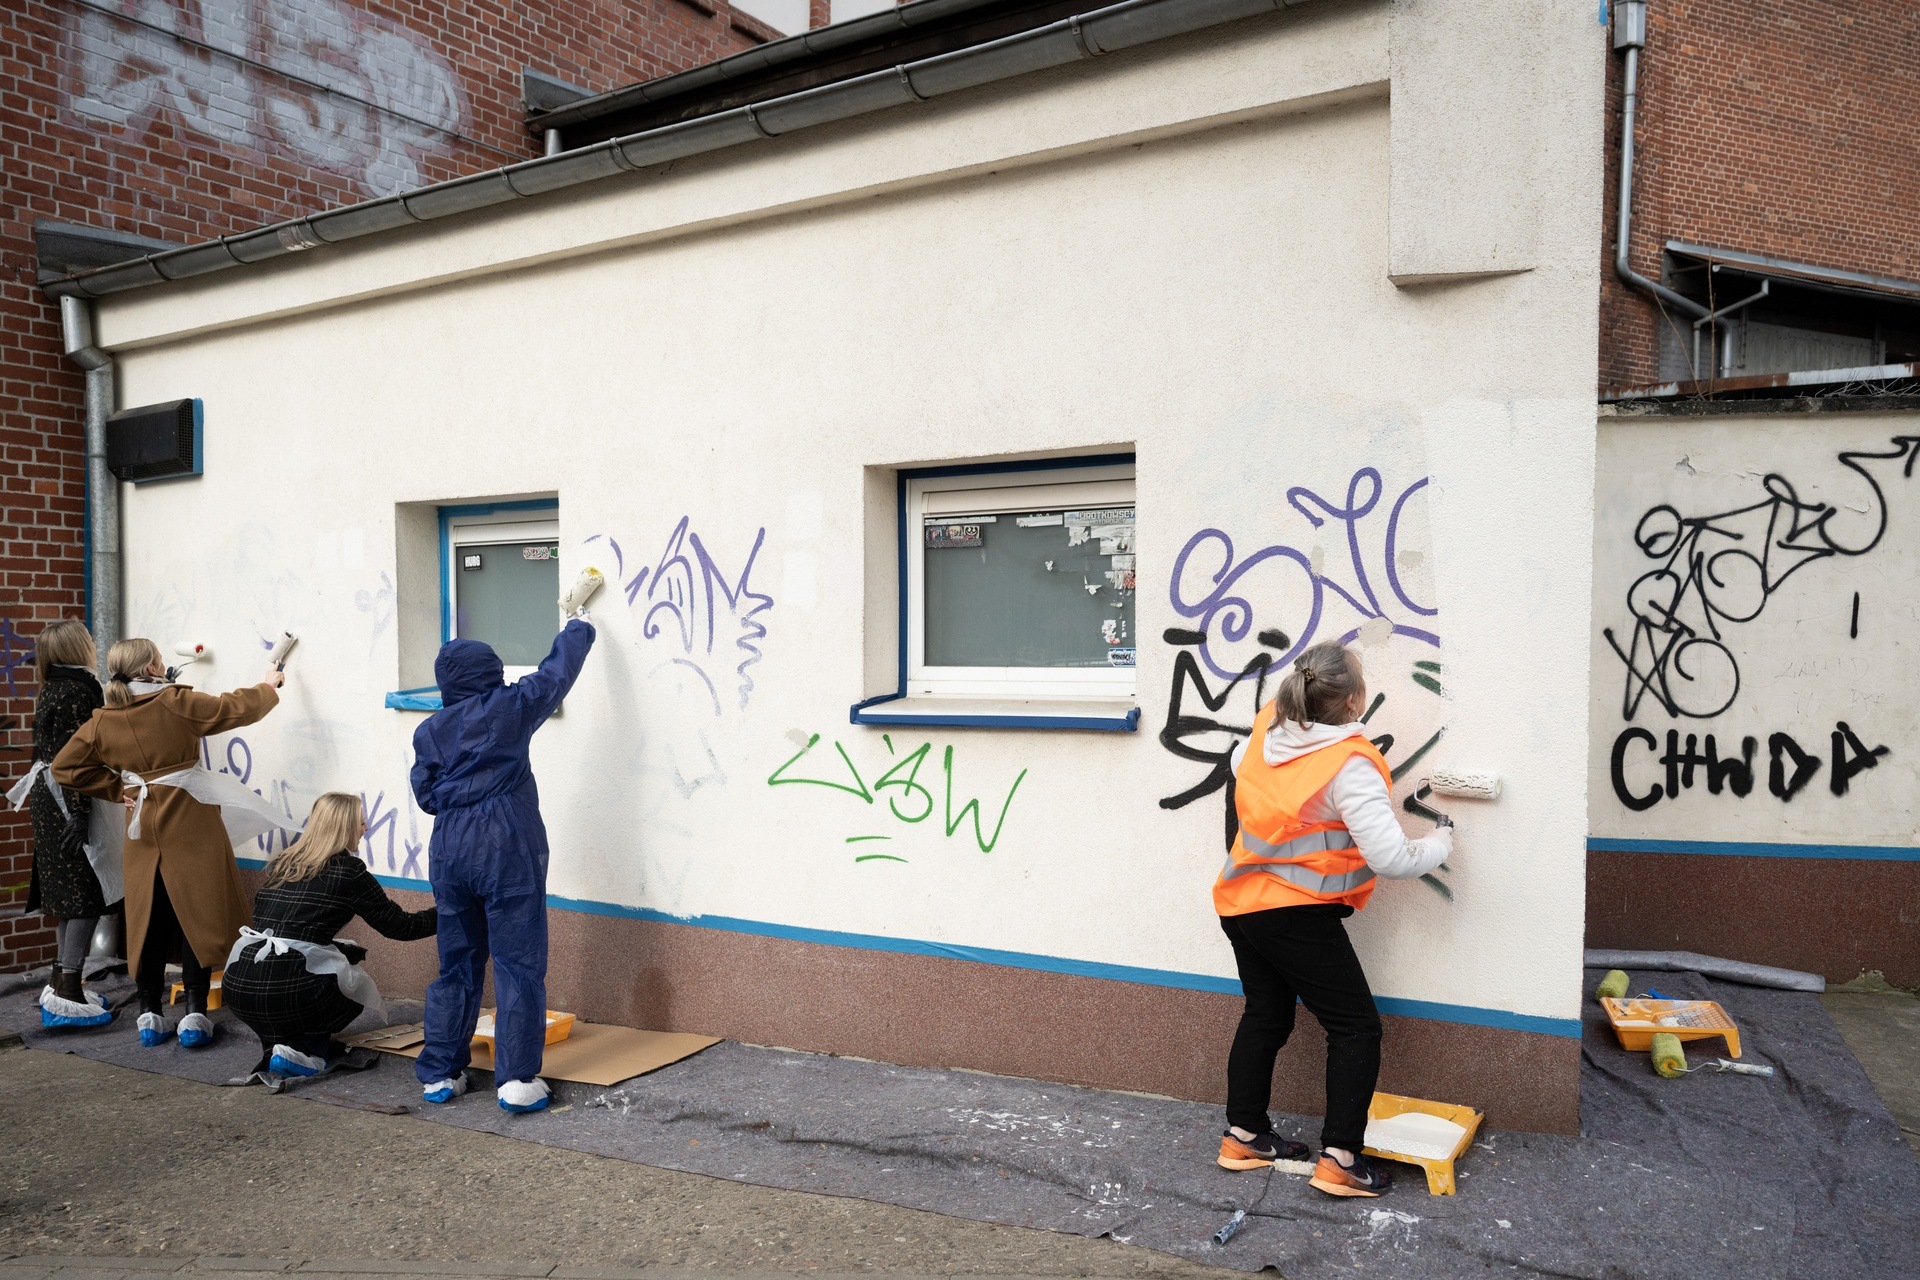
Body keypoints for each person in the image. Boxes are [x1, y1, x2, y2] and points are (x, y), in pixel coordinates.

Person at [1212, 641, 1452, 1199]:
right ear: (1352, 701)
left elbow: (1242, 771)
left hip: (1241, 902)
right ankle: (1341, 1159)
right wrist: (1442, 841)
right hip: (1294, 914)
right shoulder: (1349, 764)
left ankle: (1243, 1137)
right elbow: (1391, 859)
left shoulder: (1263, 734)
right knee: (1355, 1027)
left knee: (1266, 1015)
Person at [53, 638, 291, 1048]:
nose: (165, 665)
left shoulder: (103, 720)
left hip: (142, 827)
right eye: (160, 660)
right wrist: (269, 685)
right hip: (190, 824)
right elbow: (232, 708)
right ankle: (195, 1015)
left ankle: (149, 1013)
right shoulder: (175, 703)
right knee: (196, 914)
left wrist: (117, 788)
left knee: (148, 917)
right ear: (150, 669)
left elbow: (65, 767)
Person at [410, 614, 594, 1113]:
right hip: (506, 846)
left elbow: (426, 795)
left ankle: (441, 1074)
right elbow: (556, 674)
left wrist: (460, 796)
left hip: (450, 850)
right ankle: (516, 1081)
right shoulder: (511, 706)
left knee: (456, 963)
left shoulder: (429, 730)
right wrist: (580, 624)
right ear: (492, 672)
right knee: (518, 963)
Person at [222, 792, 437, 1078]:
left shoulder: (284, 863)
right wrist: (450, 910)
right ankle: (311, 1054)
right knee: (354, 984)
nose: (366, 828)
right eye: (361, 822)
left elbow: (289, 932)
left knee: (324, 965)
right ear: (344, 828)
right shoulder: (349, 871)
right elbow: (401, 927)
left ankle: (279, 1045)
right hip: (286, 990)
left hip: (240, 985)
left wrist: (337, 949)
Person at [6, 620, 116, 1028]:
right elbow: (77, 760)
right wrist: (81, 813)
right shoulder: (76, 690)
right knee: (85, 894)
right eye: (87, 638)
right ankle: (69, 987)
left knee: (67, 893)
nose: (93, 642)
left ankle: (60, 979)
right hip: (66, 798)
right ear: (76, 647)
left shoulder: (54, 685)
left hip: (50, 795)